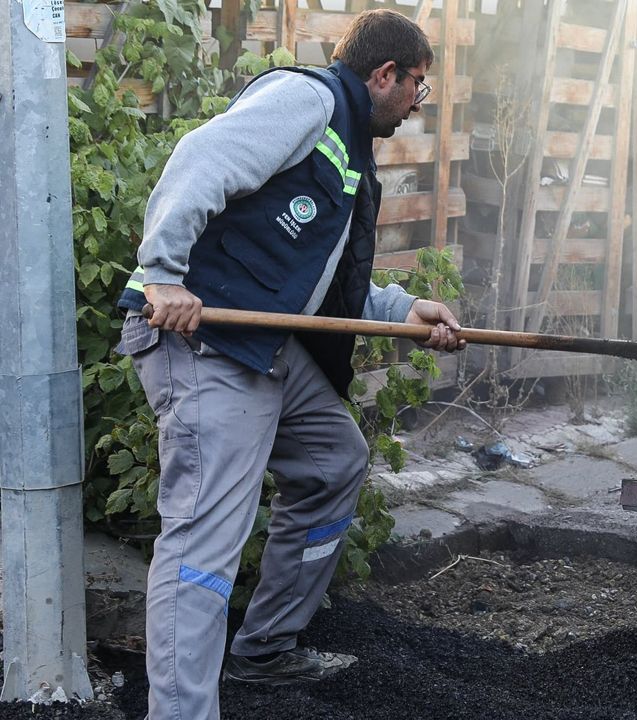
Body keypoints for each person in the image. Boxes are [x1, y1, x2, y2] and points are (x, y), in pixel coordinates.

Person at [114, 9, 464, 719]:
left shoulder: (347, 147)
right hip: (205, 338)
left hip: (263, 342)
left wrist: (404, 310)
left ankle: (265, 647)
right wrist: (163, 275)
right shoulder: (309, 100)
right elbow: (201, 157)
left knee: (335, 461)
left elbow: (322, 279)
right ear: (385, 73)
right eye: (417, 86)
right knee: (205, 537)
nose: (417, 103)